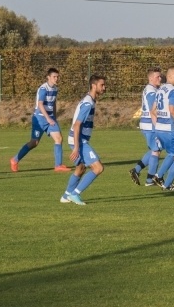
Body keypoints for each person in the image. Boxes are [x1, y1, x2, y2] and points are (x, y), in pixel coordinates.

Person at [10, 68, 70, 172]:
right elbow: (40, 105)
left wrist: (54, 118)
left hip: (50, 118)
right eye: (54, 77)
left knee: (59, 138)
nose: (56, 78)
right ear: (48, 77)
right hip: (40, 119)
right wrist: (47, 118)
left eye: (57, 76)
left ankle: (58, 165)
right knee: (34, 142)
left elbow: (53, 103)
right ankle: (15, 160)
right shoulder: (43, 89)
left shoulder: (55, 89)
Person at [60, 74, 106, 205]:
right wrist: (76, 147)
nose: (104, 87)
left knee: (80, 168)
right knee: (98, 168)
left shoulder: (89, 100)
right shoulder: (88, 103)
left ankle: (66, 195)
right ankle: (75, 194)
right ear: (94, 85)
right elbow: (77, 125)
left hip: (78, 139)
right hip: (79, 140)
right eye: (102, 85)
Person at [129, 67, 163, 186]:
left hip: (147, 124)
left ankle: (136, 170)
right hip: (150, 124)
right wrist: (158, 126)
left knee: (155, 149)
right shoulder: (151, 91)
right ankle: (150, 180)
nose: (160, 78)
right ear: (150, 78)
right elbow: (153, 110)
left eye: (160, 76)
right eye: (157, 76)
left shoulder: (152, 89)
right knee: (156, 151)